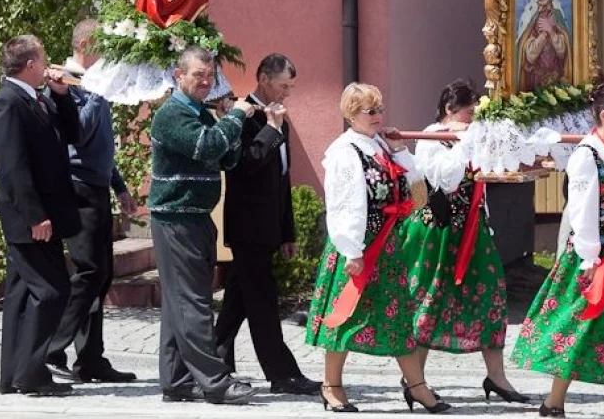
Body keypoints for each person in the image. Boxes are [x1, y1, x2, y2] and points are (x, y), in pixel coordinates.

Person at [511, 83, 604, 418]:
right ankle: (554, 401)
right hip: (594, 257)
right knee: (579, 325)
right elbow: (582, 210)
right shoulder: (586, 155)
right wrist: (590, 257)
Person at [305, 83, 450, 413]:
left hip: (386, 246)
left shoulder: (382, 146)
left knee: (399, 316)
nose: (378, 116)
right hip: (358, 247)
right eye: (370, 111)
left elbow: (419, 195)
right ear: (351, 114)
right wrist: (352, 250)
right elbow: (345, 203)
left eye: (380, 109)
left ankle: (417, 387)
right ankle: (331, 386)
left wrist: (400, 152)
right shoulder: (345, 151)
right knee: (345, 315)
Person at [407, 79, 529, 403]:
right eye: (469, 112)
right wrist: (467, 142)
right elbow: (445, 180)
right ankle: (414, 379)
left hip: (474, 227)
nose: (473, 120)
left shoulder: (467, 137)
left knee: (491, 295)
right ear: (450, 109)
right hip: (439, 232)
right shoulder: (431, 138)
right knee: (429, 298)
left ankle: (496, 376)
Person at [147, 46, 256, 405]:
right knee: (192, 302)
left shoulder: (199, 113)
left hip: (196, 217)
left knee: (179, 302)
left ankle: (177, 381)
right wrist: (235, 117)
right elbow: (209, 147)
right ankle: (215, 382)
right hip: (176, 218)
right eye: (199, 75)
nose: (206, 82)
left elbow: (227, 158)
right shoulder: (172, 114)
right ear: (178, 76)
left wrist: (227, 122)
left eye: (211, 75)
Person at [214, 54, 320, 395]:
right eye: (283, 85)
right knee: (262, 302)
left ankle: (214, 360)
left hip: (269, 227)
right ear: (263, 78)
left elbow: (282, 180)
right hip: (247, 226)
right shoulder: (241, 116)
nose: (287, 93)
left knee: (238, 299)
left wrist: (288, 232)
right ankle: (282, 374)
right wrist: (271, 129)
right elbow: (245, 166)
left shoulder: (279, 120)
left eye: (291, 87)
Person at [0, 35, 81, 397]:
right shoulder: (8, 103)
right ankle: (31, 374)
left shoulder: (36, 99)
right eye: (43, 60)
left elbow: (72, 134)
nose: (47, 66)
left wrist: (61, 95)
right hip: (30, 220)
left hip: (45, 216)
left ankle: (14, 375)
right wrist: (34, 216)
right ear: (30, 65)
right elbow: (13, 167)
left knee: (22, 296)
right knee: (53, 292)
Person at [46, 20, 138, 384]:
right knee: (89, 271)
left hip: (97, 187)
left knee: (102, 275)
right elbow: (80, 135)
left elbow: (101, 145)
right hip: (77, 187)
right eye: (104, 46)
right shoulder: (67, 82)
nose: (109, 54)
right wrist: (98, 92)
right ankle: (52, 350)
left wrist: (120, 186)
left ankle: (90, 359)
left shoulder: (92, 85)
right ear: (85, 44)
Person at [516, 0, 571, 90]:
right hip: (536, 87)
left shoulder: (556, 7)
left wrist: (551, 31)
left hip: (557, 85)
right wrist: (545, 33)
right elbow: (529, 56)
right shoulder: (531, 9)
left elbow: (563, 52)